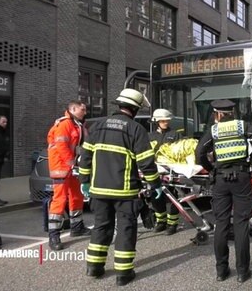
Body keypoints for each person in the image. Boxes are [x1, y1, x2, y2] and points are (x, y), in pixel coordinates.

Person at [79, 88, 160, 287]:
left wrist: (85, 181)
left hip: (99, 190)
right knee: (125, 228)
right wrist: (154, 183)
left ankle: (94, 267)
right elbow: (145, 162)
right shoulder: (135, 129)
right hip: (125, 193)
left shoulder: (97, 126)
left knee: (101, 226)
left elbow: (85, 156)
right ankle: (123, 273)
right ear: (134, 109)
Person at [196, 99, 252, 283]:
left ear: (217, 114)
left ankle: (221, 271)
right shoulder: (242, 126)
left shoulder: (213, 130)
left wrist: (211, 168)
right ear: (232, 113)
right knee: (241, 223)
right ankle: (243, 272)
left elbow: (199, 154)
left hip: (221, 179)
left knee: (221, 223)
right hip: (242, 178)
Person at [46, 100, 91, 251]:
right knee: (60, 199)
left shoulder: (76, 124)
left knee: (76, 196)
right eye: (82, 109)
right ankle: (54, 235)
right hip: (61, 167)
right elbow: (61, 146)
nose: (85, 112)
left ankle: (77, 227)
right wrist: (72, 163)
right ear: (73, 109)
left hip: (70, 167)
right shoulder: (65, 124)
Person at [149, 108, 182, 235]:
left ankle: (172, 224)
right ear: (157, 121)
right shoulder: (150, 136)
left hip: (171, 172)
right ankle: (161, 221)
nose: (166, 122)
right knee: (156, 197)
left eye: (167, 120)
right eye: (163, 120)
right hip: (155, 172)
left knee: (173, 197)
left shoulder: (175, 134)